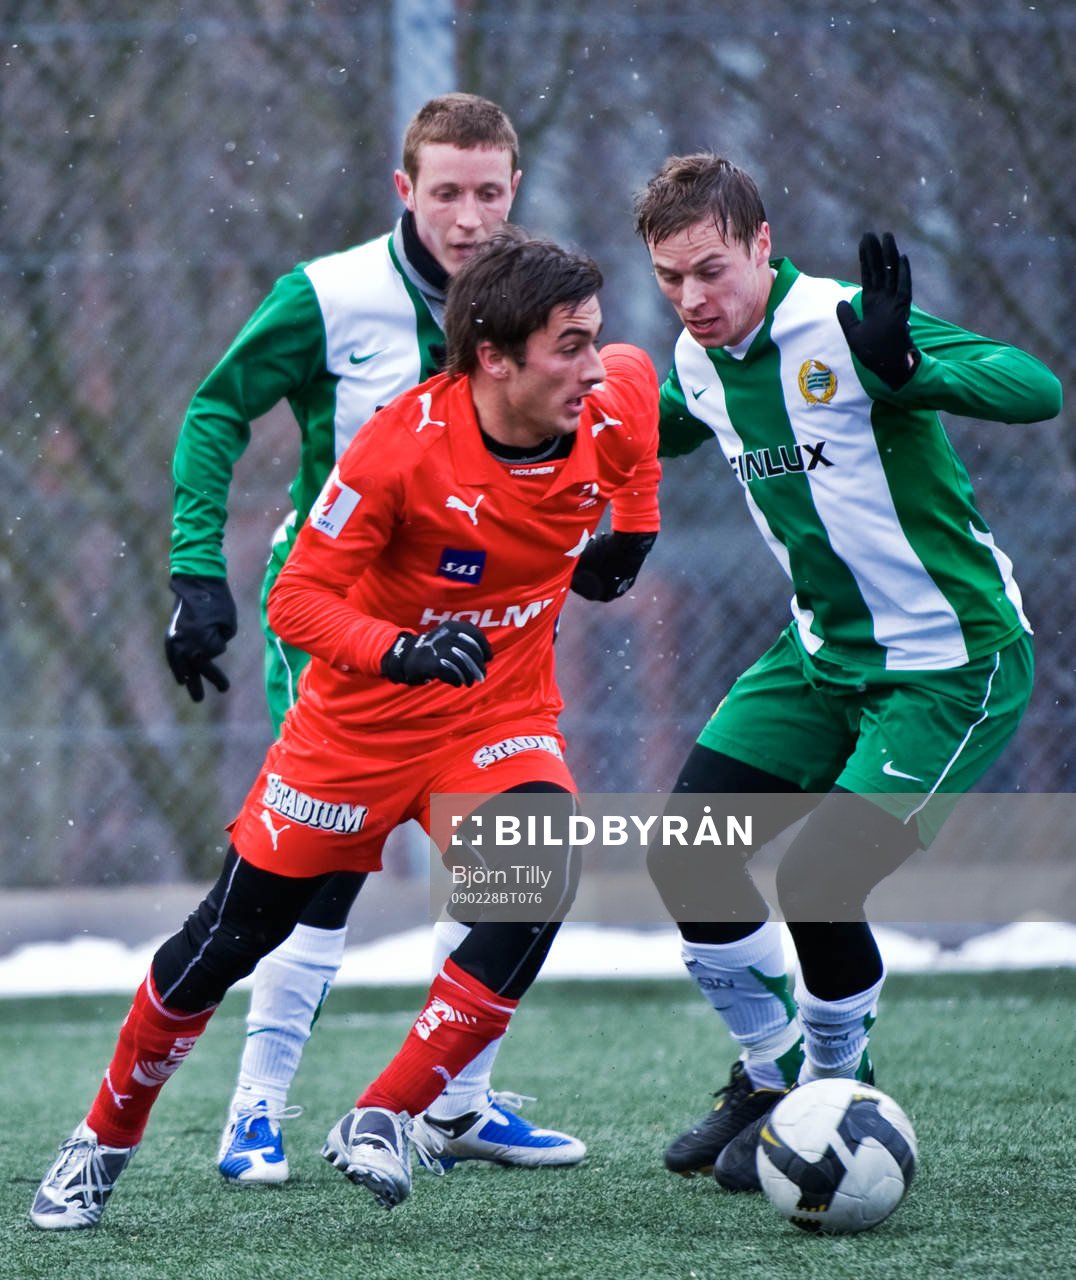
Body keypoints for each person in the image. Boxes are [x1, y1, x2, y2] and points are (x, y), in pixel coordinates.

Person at [30, 229, 661, 1229]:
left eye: (593, 339)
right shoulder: (402, 446)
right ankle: (101, 1138)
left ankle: (385, 1109)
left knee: (533, 872)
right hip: (355, 731)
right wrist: (400, 649)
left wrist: (633, 532)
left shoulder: (608, 395)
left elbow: (636, 425)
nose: (594, 364)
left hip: (493, 714)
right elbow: (296, 600)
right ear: (493, 359)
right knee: (226, 940)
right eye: (568, 346)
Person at [163, 93, 586, 1181]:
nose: (468, 214)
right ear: (405, 191)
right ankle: (253, 1109)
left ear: (514, 190)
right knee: (324, 870)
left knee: (500, 860)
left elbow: (616, 415)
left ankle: (456, 1099)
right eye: (444, 191)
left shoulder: (542, 310)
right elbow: (217, 409)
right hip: (343, 629)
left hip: (474, 640)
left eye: (488, 190)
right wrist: (193, 565)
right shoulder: (330, 294)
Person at [633, 153, 1062, 1192]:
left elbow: (1034, 388)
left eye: (711, 269)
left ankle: (830, 1100)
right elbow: (647, 433)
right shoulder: (696, 359)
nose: (692, 297)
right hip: (820, 654)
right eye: (668, 277)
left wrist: (908, 368)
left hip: (947, 665)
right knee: (686, 853)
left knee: (817, 879)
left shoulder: (841, 325)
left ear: (762, 245)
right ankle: (768, 1076)